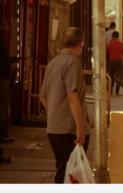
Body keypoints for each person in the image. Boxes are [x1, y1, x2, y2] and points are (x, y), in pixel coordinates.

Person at [40, 28, 91, 184]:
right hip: (70, 131)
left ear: (62, 43)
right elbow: (72, 96)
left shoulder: (53, 63)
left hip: (55, 128)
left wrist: (54, 115)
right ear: (81, 44)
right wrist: (80, 127)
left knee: (65, 170)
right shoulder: (73, 63)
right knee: (68, 175)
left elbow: (43, 98)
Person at [106, 31, 123, 95]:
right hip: (119, 61)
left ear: (112, 36)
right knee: (119, 76)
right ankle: (117, 91)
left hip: (111, 61)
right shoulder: (121, 44)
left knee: (110, 76)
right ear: (118, 37)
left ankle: (110, 90)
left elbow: (106, 54)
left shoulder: (108, 44)